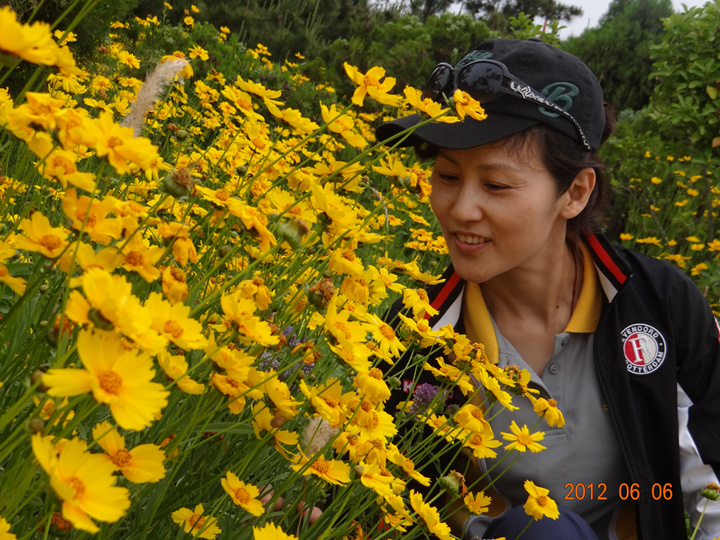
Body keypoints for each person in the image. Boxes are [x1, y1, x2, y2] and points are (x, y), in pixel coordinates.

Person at [376, 38, 720, 540]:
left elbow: (708, 486)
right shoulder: (415, 330)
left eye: (495, 186)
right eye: (447, 175)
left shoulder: (658, 304)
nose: (459, 209)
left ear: (575, 193)